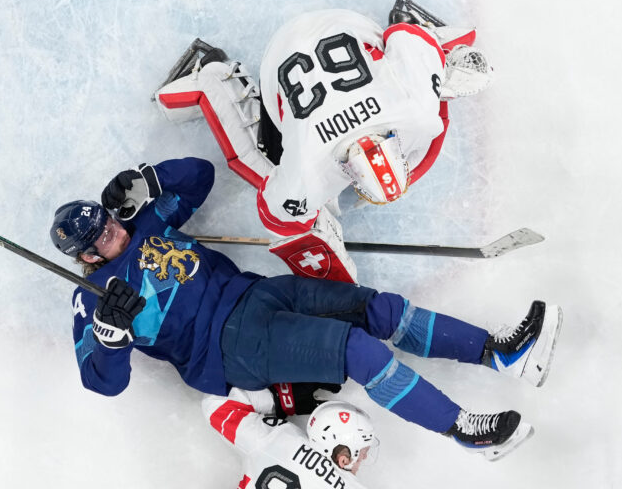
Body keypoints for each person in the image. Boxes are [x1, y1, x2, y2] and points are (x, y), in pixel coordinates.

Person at [50, 157, 562, 460]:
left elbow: (199, 177)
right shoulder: (91, 298)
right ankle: (464, 430)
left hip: (260, 293)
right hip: (229, 349)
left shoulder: (147, 225)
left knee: (379, 311)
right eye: (102, 235)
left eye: (109, 220)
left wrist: (151, 180)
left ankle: (503, 354)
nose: (114, 229)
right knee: (358, 351)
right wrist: (111, 333)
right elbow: (102, 381)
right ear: (88, 256)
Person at [155, 0, 494, 283]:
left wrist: (306, 222)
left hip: (340, 25)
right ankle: (214, 79)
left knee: (431, 68)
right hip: (279, 54)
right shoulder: (312, 167)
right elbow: (273, 209)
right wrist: (310, 219)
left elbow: (406, 34)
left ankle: (439, 61)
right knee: (263, 166)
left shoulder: (410, 109)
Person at [202, 387, 377, 488]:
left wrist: (279, 400)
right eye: (362, 452)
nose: (364, 457)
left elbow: (216, 404)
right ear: (343, 460)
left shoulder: (279, 436)